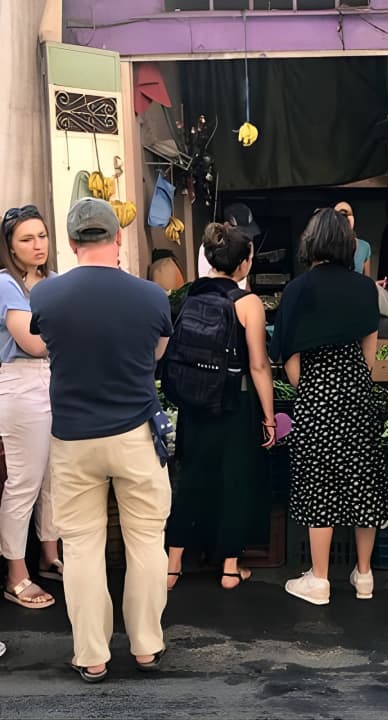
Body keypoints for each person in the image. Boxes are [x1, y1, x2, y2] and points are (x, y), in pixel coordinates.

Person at [29, 198, 173, 682]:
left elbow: (45, 345)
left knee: (82, 547)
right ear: (118, 238)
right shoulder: (151, 296)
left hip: (73, 438)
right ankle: (147, 646)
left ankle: (92, 655)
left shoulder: (46, 296)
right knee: (146, 541)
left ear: (72, 244)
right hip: (135, 433)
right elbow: (157, 353)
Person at [270, 207, 388, 605]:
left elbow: (288, 357)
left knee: (318, 483)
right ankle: (364, 574)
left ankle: (319, 578)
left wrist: (310, 387)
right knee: (363, 480)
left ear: (311, 242)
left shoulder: (297, 289)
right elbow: (371, 352)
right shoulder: (365, 288)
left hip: (316, 394)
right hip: (357, 392)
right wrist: (353, 381)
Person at [165, 222, 276, 590]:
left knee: (191, 479)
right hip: (233, 403)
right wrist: (269, 417)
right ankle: (230, 568)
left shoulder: (187, 296)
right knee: (235, 480)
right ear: (243, 263)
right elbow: (258, 365)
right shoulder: (247, 303)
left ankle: (173, 565)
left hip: (193, 403)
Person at [0, 204, 61, 611]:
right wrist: (70, 334)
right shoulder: (6, 284)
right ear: (9, 246)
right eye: (26, 238)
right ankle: (15, 573)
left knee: (56, 474)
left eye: (42, 236)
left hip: (56, 379)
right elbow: (33, 343)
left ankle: (49, 554)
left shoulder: (53, 281)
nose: (37, 245)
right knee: (24, 480)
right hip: (20, 382)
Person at [197, 202, 260, 286]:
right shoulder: (211, 247)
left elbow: (242, 282)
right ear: (227, 225)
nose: (244, 235)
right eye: (240, 231)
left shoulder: (242, 246)